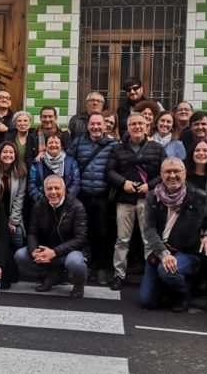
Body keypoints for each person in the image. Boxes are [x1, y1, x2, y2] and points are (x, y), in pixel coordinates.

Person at [138, 157, 207, 312]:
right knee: (146, 301)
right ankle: (169, 286)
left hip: (187, 253)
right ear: (161, 174)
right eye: (168, 172)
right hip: (161, 254)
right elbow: (149, 229)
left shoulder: (199, 197)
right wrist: (163, 254)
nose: (172, 175)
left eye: (176, 171)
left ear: (185, 174)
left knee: (165, 271)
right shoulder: (152, 197)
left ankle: (183, 292)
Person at [106, 112, 167, 290]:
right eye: (133, 124)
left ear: (147, 126)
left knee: (148, 240)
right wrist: (122, 182)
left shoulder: (156, 148)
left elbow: (165, 172)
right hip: (124, 200)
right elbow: (109, 171)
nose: (137, 127)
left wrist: (150, 186)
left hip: (147, 200)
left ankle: (151, 274)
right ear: (128, 127)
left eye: (141, 124)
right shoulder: (118, 149)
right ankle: (119, 275)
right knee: (122, 240)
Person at [14, 175, 88, 298]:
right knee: (20, 255)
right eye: (49, 189)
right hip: (46, 249)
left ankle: (79, 283)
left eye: (57, 188)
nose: (53, 192)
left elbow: (80, 239)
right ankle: (51, 275)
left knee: (76, 263)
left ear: (64, 189)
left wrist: (54, 252)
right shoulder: (39, 205)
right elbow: (32, 233)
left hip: (69, 251)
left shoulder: (77, 206)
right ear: (44, 191)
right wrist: (34, 252)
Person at [66, 112, 118, 285]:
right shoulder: (79, 141)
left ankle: (100, 268)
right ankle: (84, 266)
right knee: (82, 232)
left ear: (105, 126)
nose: (96, 127)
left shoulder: (112, 144)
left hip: (103, 197)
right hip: (83, 196)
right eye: (92, 124)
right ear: (88, 125)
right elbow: (68, 160)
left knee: (102, 234)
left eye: (99, 124)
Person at [27, 132, 80, 202]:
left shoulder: (71, 162)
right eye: (50, 142)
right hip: (43, 204)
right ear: (46, 145)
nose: (53, 145)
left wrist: (66, 199)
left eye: (56, 142)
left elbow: (76, 182)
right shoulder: (38, 163)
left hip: (66, 203)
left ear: (61, 146)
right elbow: (31, 184)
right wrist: (43, 200)